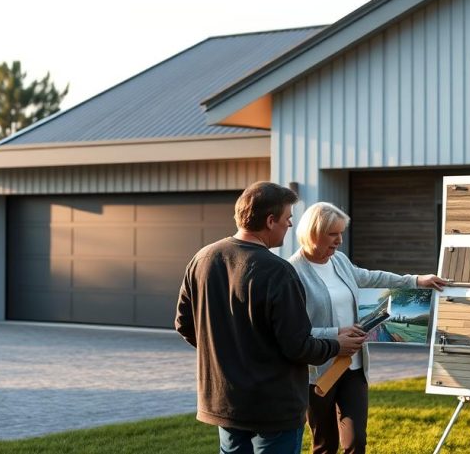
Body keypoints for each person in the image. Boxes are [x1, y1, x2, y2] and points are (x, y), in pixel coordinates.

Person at [175, 182, 366, 454]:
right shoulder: (279, 271)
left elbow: (184, 325)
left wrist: (227, 355)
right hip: (274, 405)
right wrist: (337, 345)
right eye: (288, 219)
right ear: (270, 221)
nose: (290, 226)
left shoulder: (202, 259)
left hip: (224, 400)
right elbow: (298, 346)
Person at [288, 202, 447, 454]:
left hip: (354, 367)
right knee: (324, 445)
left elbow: (373, 277)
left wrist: (416, 280)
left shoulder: (339, 261)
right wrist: (335, 333)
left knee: (356, 442)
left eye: (341, 233)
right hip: (318, 373)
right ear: (313, 232)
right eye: (332, 234)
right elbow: (294, 331)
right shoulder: (291, 272)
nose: (339, 240)